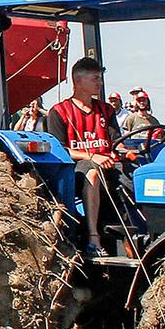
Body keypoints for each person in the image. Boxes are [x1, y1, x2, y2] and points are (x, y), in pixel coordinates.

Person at [43, 56, 123, 258]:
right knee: (92, 172)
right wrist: (92, 156)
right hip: (74, 170)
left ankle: (135, 233)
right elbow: (59, 149)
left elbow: (116, 141)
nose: (100, 83)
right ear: (78, 82)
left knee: (136, 176)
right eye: (95, 78)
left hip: (108, 167)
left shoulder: (105, 110)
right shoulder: (59, 112)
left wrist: (121, 151)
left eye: (100, 78)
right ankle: (93, 238)